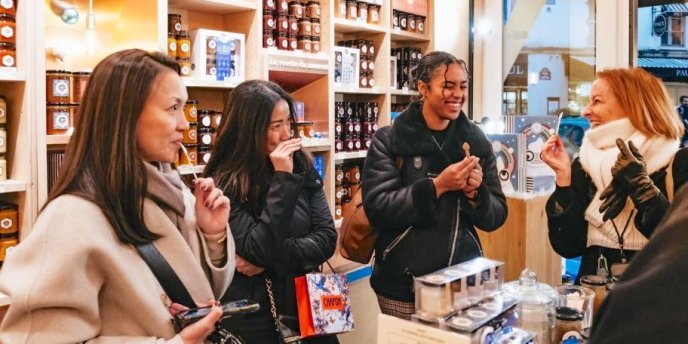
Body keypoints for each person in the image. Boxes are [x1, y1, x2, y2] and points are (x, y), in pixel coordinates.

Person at [0, 49, 235, 343]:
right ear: (125, 112)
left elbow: (201, 292)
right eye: (173, 107)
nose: (185, 124)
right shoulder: (72, 216)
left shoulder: (175, 191)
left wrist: (212, 235)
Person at [361, 51, 508, 319]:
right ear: (423, 88)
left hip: (463, 282)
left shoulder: (476, 142)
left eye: (463, 86)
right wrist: (437, 186)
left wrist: (476, 193)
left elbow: (497, 214)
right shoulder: (390, 140)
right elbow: (379, 207)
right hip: (403, 284)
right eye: (448, 85)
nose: (458, 94)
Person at [204, 80, 338, 343]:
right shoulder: (226, 180)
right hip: (258, 314)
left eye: (288, 121)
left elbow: (326, 238)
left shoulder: (300, 162)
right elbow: (258, 247)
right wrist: (282, 180)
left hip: (309, 303)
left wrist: (267, 261)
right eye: (276, 126)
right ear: (248, 129)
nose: (286, 134)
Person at [541, 67, 688, 281]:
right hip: (599, 300)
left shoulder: (679, 163)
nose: (586, 111)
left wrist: (642, 187)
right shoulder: (585, 164)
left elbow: (679, 242)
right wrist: (563, 178)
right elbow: (567, 246)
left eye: (597, 101)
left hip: (658, 304)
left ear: (634, 105)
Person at [589, 181, 688, 343]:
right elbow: (569, 245)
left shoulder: (675, 163)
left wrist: (644, 191)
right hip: (593, 301)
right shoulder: (587, 167)